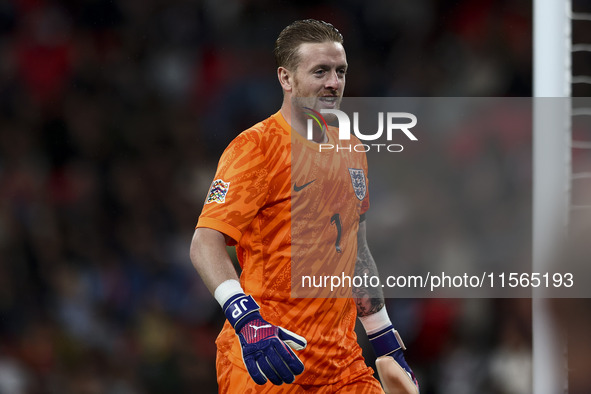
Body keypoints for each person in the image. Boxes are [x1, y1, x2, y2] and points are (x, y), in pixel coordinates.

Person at [190, 19, 419, 393]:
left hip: (341, 366)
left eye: (340, 71)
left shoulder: (352, 149)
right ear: (286, 78)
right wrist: (246, 321)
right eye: (321, 71)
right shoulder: (255, 148)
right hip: (268, 359)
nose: (334, 82)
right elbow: (205, 244)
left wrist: (387, 342)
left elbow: (357, 252)